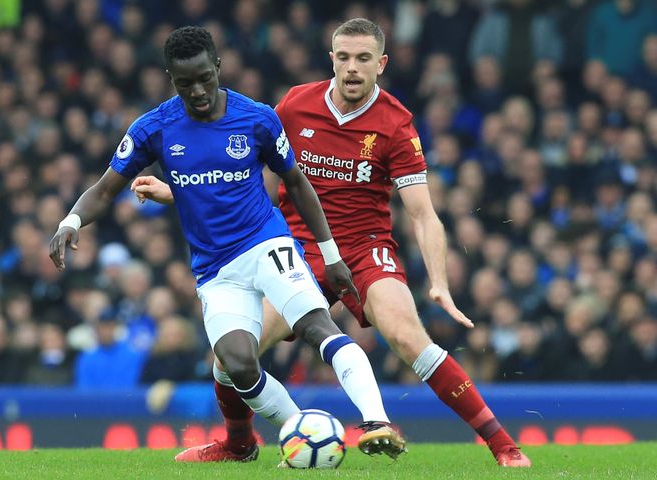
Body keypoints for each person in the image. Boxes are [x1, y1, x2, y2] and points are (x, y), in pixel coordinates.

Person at [134, 19, 531, 467]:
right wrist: (178, 190)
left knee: (407, 335)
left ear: (381, 64)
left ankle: (502, 444)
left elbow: (422, 212)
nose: (352, 68)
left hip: (365, 247)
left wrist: (438, 281)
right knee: (230, 357)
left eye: (363, 59)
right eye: (343, 57)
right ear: (332, 60)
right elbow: (239, 164)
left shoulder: (396, 124)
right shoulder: (295, 105)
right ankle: (238, 443)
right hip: (295, 246)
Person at [49, 26, 405, 462]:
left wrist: (330, 256)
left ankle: (377, 420)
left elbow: (296, 182)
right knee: (236, 364)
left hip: (266, 244)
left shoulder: (255, 117)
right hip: (215, 269)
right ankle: (303, 435)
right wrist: (71, 221)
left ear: (217, 67)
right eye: (185, 83)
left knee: (316, 326)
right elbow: (105, 190)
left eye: (204, 78)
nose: (197, 91)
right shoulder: (154, 128)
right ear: (170, 78)